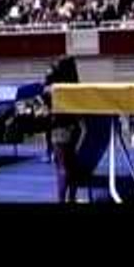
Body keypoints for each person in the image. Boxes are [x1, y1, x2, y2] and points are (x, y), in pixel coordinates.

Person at [44, 53, 82, 203]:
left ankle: (61, 200)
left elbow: (44, 95)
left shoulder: (54, 87)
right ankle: (72, 197)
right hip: (74, 127)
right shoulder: (75, 86)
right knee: (72, 165)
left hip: (60, 127)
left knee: (62, 167)